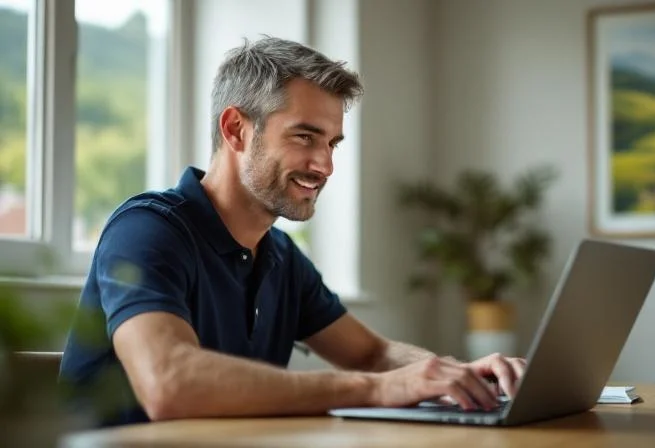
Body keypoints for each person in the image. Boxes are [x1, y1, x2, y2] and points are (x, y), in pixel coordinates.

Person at [59, 36, 525, 426]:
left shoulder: (278, 254)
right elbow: (169, 385)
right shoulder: (148, 230)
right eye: (305, 137)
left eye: (331, 142)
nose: (325, 165)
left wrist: (462, 376)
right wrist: (381, 389)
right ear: (236, 129)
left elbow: (371, 354)